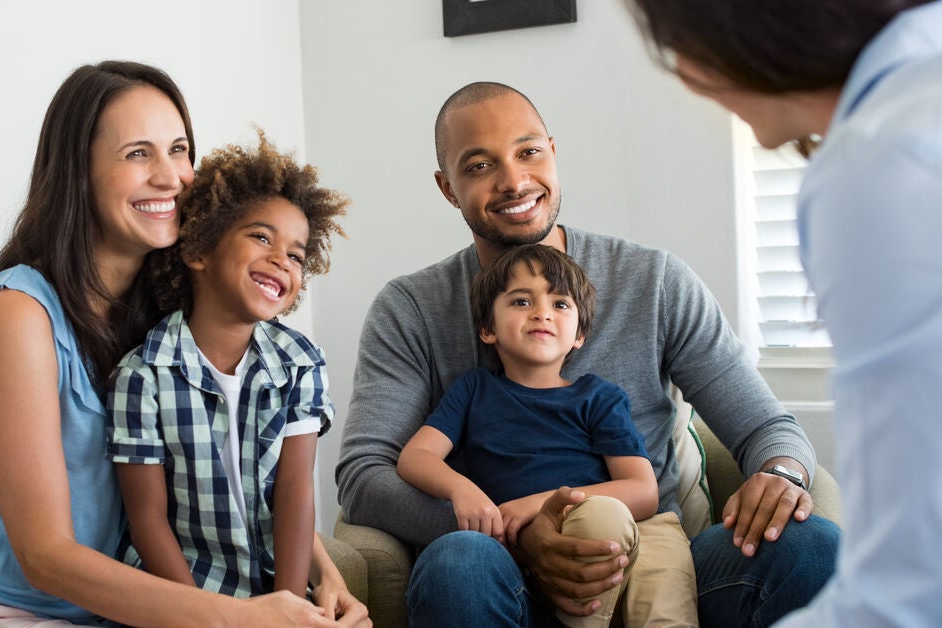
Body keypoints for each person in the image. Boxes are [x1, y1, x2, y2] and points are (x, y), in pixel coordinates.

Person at [335, 80, 840, 627]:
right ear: (448, 188)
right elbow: (365, 474)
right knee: (459, 562)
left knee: (811, 546)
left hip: (648, 557)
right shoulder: (411, 308)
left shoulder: (654, 281)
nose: (513, 180)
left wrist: (782, 475)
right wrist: (520, 536)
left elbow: (767, 426)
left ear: (553, 151)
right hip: (499, 567)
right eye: (479, 166)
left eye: (528, 152)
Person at [0, 61, 368, 627]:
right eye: (139, 154)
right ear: (78, 172)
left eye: (180, 149)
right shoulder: (19, 315)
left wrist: (322, 577)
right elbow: (44, 558)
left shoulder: (172, 313)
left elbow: (241, 476)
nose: (172, 177)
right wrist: (235, 620)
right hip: (11, 610)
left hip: (136, 612)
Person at [625, 1, 942, 625]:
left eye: (676, 44)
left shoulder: (877, 165)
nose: (685, 77)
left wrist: (780, 469)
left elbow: (906, 587)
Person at [396, 244, 697, 627]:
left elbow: (642, 490)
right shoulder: (474, 390)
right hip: (520, 569)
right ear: (487, 329)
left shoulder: (597, 396)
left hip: (607, 534)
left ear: (579, 336)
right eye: (521, 301)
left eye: (560, 304)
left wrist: (533, 504)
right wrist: (463, 490)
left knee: (606, 523)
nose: (542, 312)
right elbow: (415, 457)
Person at [106, 132, 348, 602]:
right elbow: (147, 520)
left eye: (297, 255)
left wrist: (290, 606)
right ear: (198, 250)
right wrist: (204, 616)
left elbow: (295, 493)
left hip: (274, 594)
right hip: (183, 598)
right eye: (261, 236)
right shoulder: (141, 378)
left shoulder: (300, 364)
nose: (282, 260)